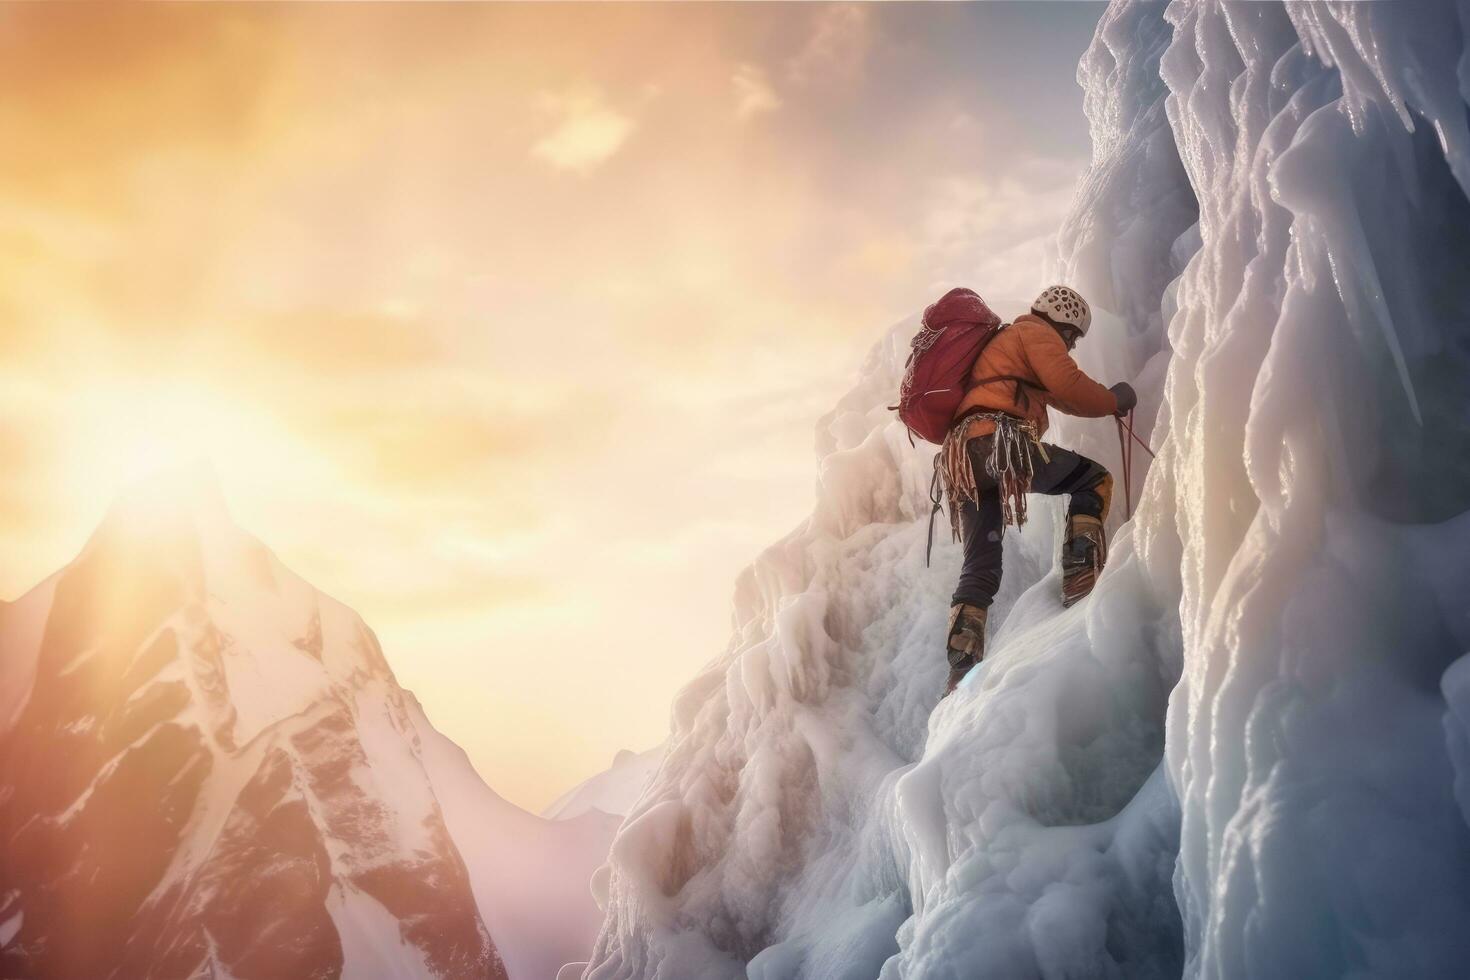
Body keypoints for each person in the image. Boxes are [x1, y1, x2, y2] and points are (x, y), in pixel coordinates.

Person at [939, 285, 1136, 696]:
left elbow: (1060, 397)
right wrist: (1113, 399)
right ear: (1065, 321)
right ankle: (1081, 573)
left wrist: (1097, 402)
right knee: (1092, 479)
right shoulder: (1035, 332)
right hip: (998, 445)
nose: (1071, 345)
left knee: (981, 563)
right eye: (1073, 337)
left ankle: (961, 667)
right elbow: (1069, 385)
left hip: (964, 461)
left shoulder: (1011, 346)